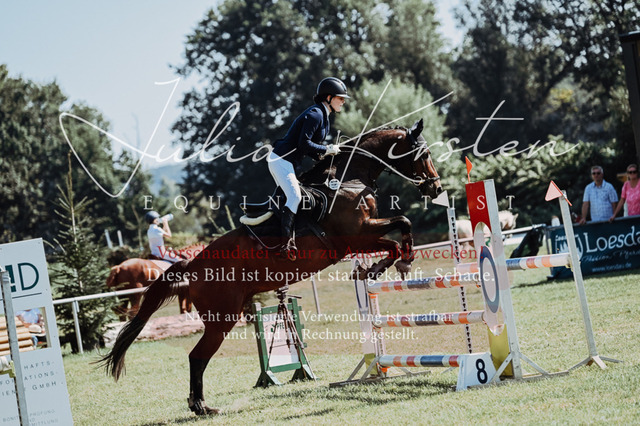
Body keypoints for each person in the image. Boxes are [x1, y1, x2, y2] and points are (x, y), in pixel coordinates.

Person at [268, 77, 348, 257]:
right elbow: (304, 144)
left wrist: (326, 154)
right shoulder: (315, 115)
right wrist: (326, 149)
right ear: (329, 97)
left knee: (293, 197)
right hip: (281, 159)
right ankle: (286, 245)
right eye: (340, 98)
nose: (343, 101)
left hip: (286, 161)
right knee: (295, 196)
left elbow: (309, 148)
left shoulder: (324, 116)